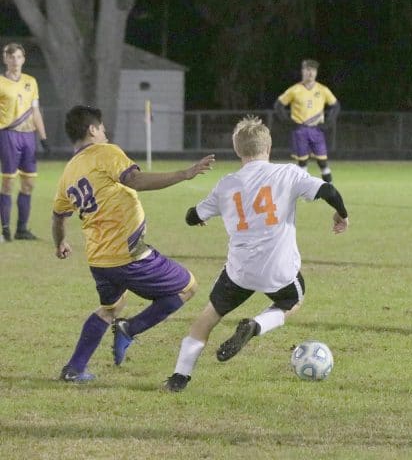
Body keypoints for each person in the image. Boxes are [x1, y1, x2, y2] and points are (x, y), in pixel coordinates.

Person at [164, 115, 349, 392]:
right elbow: (329, 190)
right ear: (269, 147)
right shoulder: (288, 173)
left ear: (238, 151)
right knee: (293, 301)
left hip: (240, 272)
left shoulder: (227, 184)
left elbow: (192, 216)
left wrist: (198, 217)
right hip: (279, 270)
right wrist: (341, 214)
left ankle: (180, 376)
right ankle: (256, 324)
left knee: (207, 318)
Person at [52, 105, 215, 382]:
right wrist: (183, 174)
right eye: (101, 128)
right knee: (188, 287)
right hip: (127, 254)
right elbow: (135, 179)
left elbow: (58, 217)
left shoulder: (68, 172)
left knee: (109, 309)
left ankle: (74, 369)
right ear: (93, 129)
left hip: (99, 259)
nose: (104, 133)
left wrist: (60, 243)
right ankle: (130, 329)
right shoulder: (105, 151)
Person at [0, 43, 50, 242]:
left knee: (28, 183)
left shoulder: (31, 82)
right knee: (8, 182)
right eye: (10, 57)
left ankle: (22, 229)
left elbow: (35, 111)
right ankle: (5, 229)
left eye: (18, 57)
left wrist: (43, 138)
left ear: (23, 59)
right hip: (8, 135)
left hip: (28, 137)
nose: (14, 60)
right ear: (5, 59)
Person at [274, 59, 340, 183]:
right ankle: (303, 191)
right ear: (302, 71)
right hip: (300, 130)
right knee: (302, 162)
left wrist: (328, 123)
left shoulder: (322, 89)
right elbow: (278, 105)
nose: (310, 73)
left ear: (316, 72)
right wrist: (288, 122)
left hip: (317, 129)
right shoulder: (294, 90)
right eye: (308, 69)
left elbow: (336, 106)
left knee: (322, 162)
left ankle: (329, 189)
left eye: (313, 70)